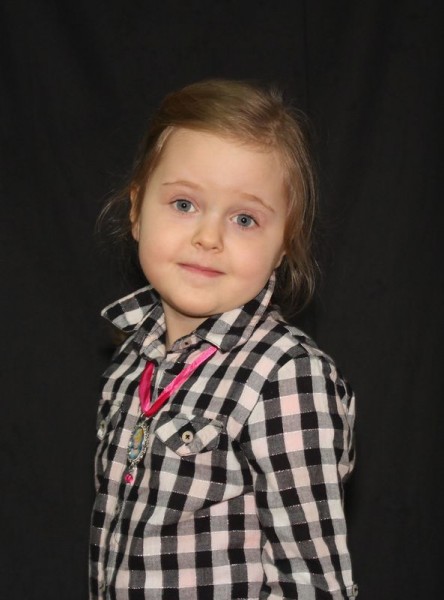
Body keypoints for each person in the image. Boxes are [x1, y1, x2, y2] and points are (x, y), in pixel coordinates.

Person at [90, 79, 358, 600]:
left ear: (284, 244)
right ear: (136, 210)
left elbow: (312, 581)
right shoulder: (129, 363)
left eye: (244, 219)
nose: (208, 237)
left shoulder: (287, 378)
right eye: (184, 204)